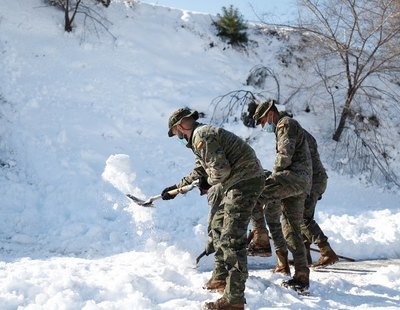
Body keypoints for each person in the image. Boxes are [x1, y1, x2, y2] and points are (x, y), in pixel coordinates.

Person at [163, 107, 265, 310]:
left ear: (181, 125)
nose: (178, 136)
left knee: (232, 239)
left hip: (243, 181)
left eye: (176, 132)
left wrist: (206, 182)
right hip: (237, 182)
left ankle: (234, 300)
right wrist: (177, 188)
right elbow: (201, 169)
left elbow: (219, 170)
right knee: (221, 229)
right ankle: (221, 279)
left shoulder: (202, 136)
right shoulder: (199, 138)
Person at [253, 99, 312, 293]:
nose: (263, 126)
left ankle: (261, 239)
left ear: (270, 114)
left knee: (253, 194)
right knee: (291, 229)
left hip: (292, 178)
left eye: (263, 121)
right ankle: (301, 276)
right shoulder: (285, 126)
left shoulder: (285, 124)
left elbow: (285, 155)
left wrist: (273, 177)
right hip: (300, 183)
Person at [301, 129, 339, 267]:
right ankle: (304, 257)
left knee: (302, 218)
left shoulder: (294, 134)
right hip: (315, 179)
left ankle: (327, 252)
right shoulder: (304, 134)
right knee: (302, 216)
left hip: (312, 181)